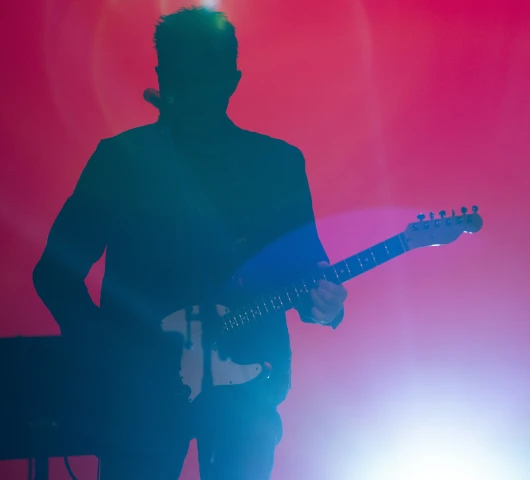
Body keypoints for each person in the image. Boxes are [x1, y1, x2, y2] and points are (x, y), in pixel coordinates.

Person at [32, 6, 347, 480]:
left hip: (245, 391)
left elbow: (307, 271)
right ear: (163, 73)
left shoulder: (276, 164)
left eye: (205, 72)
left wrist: (325, 305)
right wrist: (110, 354)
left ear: (231, 78)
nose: (194, 87)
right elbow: (55, 272)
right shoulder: (122, 159)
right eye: (184, 72)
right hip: (142, 399)